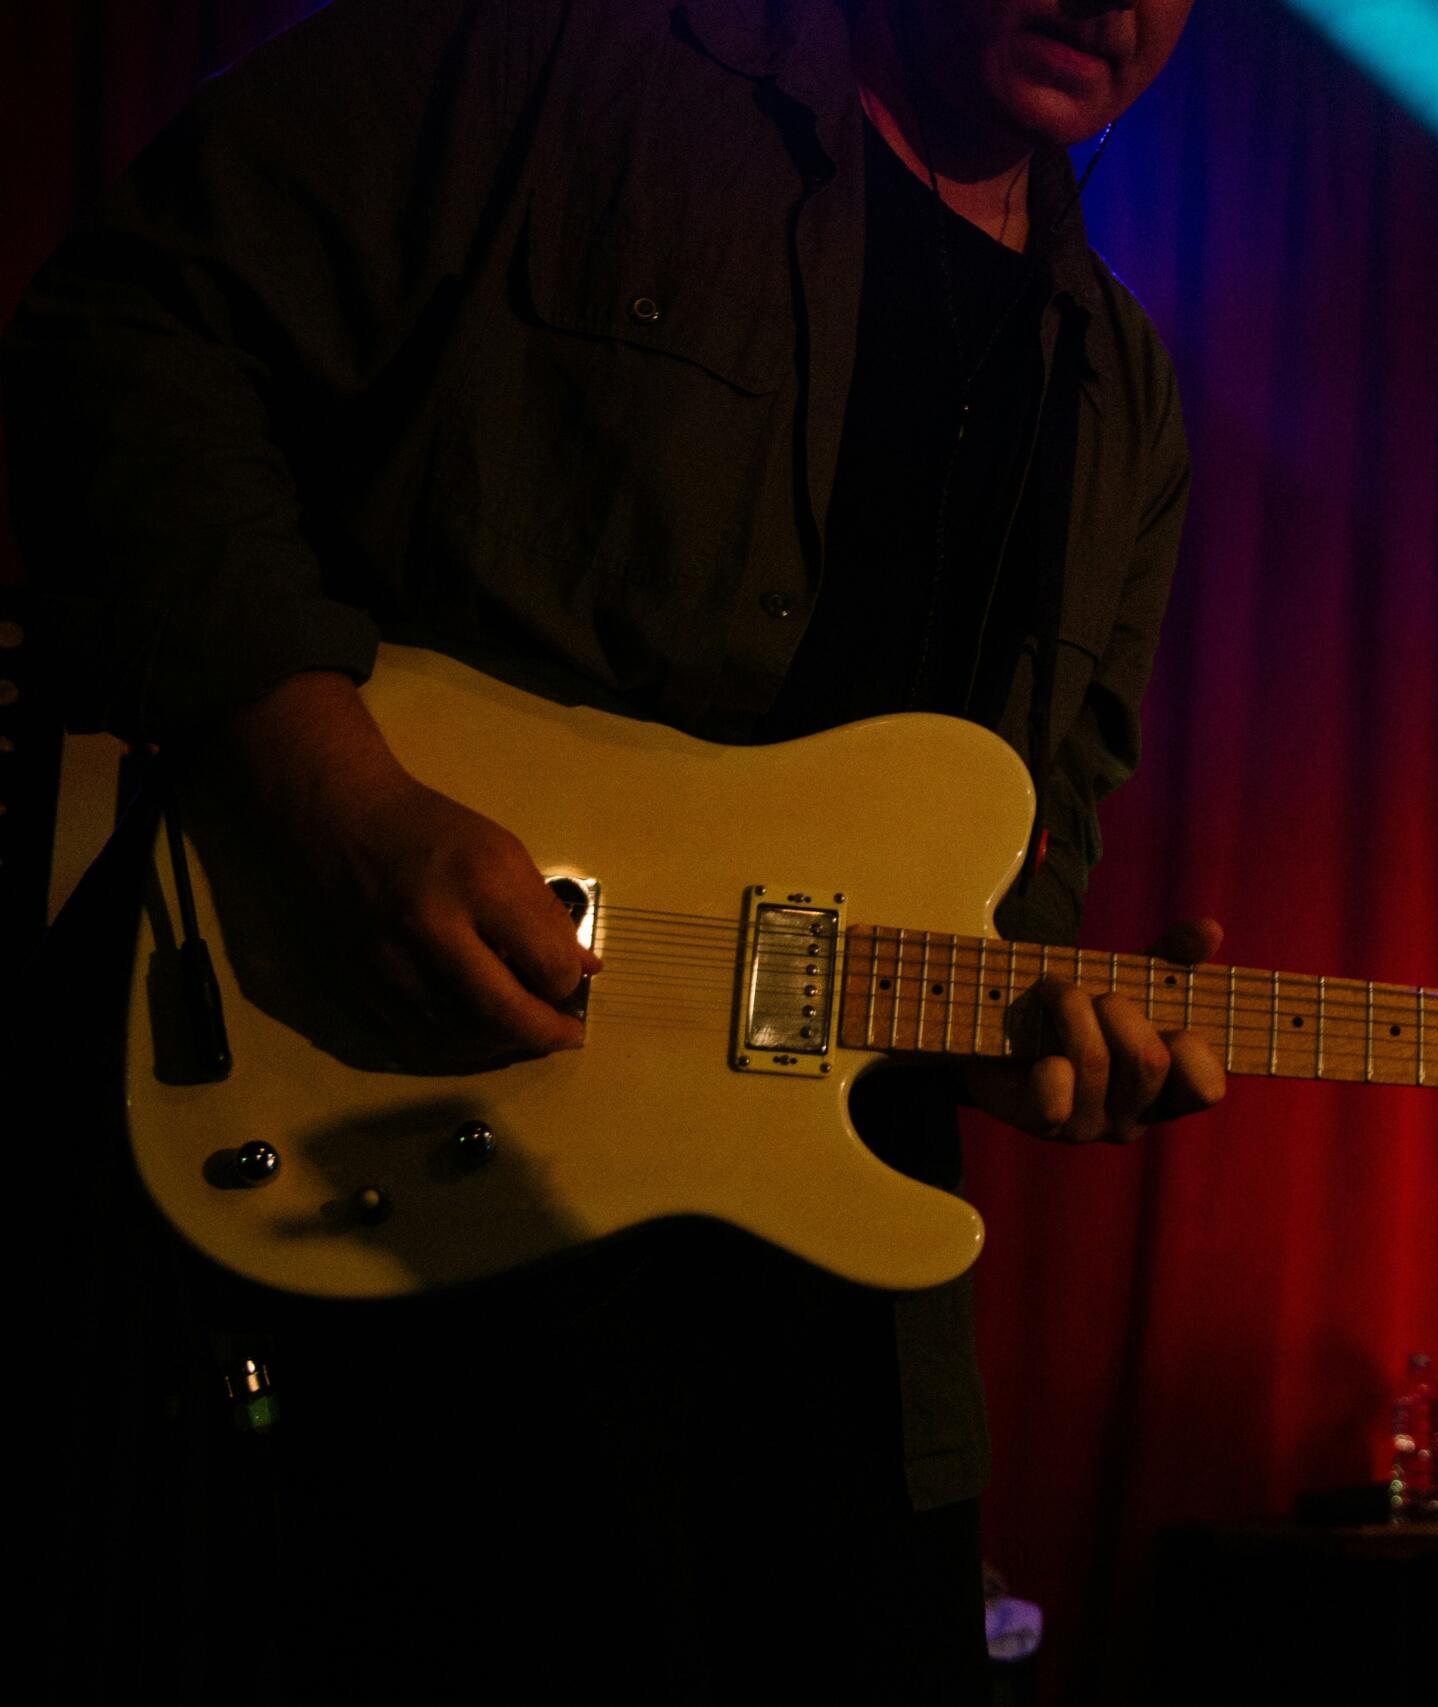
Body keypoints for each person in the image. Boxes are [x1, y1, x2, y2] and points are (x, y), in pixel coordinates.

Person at [5, 1, 1209, 1699]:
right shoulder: (557, 61)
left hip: (817, 1370)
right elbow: (128, 329)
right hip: (381, 1242)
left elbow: (1035, 841)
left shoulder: (1124, 401)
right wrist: (336, 796)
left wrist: (1035, 1039)